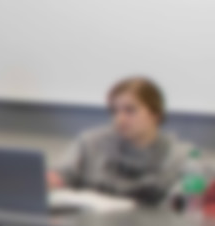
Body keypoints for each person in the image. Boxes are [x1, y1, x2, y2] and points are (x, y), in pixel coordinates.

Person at [49, 77, 205, 207]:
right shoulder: (91, 143)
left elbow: (187, 204)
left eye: (130, 110)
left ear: (155, 114)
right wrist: (51, 180)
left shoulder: (182, 155)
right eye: (115, 111)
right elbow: (62, 175)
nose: (120, 119)